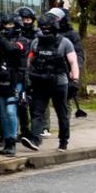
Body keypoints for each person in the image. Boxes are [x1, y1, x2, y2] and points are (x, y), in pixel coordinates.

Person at [21, 12, 80, 152]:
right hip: (40, 82)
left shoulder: (65, 42)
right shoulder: (36, 42)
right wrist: (27, 78)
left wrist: (75, 80)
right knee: (37, 112)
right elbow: (30, 61)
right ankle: (35, 140)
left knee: (61, 113)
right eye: (43, 27)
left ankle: (63, 141)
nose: (45, 29)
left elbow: (73, 62)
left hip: (59, 83)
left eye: (47, 27)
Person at [0, 13, 29, 156]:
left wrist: (1, 37)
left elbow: (11, 48)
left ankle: (12, 141)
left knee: (10, 111)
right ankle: (7, 141)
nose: (7, 28)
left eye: (10, 25)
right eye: (4, 25)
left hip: (16, 81)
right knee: (2, 113)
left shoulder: (22, 40)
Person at [50, 7, 86, 120]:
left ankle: (65, 124)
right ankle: (45, 127)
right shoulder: (46, 32)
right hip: (49, 69)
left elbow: (79, 54)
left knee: (65, 99)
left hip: (66, 71)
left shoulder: (72, 35)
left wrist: (74, 68)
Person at [16, 7, 38, 138]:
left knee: (36, 104)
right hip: (20, 71)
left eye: (28, 20)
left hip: (35, 72)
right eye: (22, 20)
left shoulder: (38, 35)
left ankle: (36, 130)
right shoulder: (15, 34)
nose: (25, 22)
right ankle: (24, 130)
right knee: (21, 102)